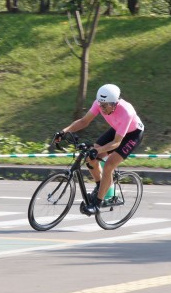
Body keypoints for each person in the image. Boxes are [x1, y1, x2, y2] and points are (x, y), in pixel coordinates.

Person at [56, 84, 145, 215]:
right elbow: (83, 121)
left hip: (132, 134)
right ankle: (100, 186)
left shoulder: (126, 112)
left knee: (109, 165)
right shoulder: (100, 103)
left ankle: (97, 204)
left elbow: (116, 143)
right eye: (100, 104)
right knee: (89, 159)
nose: (102, 108)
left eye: (105, 106)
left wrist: (97, 150)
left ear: (114, 104)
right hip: (117, 129)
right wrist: (64, 131)